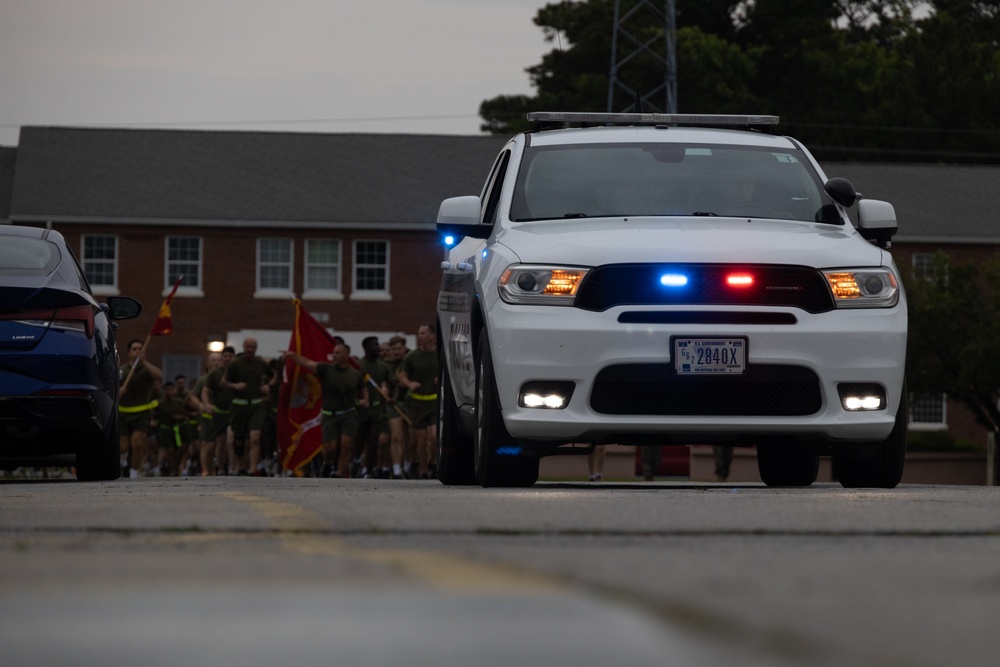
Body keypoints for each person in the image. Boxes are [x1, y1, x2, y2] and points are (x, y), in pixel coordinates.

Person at [282, 343, 368, 478]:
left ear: (346, 355)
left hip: (348, 414)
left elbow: (363, 390)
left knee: (346, 445)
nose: (334, 355)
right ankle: (327, 463)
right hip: (329, 415)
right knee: (330, 448)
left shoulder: (355, 374)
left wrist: (365, 400)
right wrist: (293, 356)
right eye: (333, 352)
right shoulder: (325, 368)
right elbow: (307, 363)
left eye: (338, 353)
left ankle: (339, 473)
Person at [223, 337, 274, 476]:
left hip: (256, 405)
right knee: (239, 441)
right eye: (248, 347)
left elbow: (274, 376)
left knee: (255, 438)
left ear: (256, 348)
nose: (250, 350)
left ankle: (253, 469)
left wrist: (267, 386)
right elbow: (224, 382)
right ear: (244, 347)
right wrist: (235, 385)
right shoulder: (236, 364)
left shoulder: (260, 363)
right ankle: (240, 467)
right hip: (239, 406)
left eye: (253, 347)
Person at [398, 324, 439, 479]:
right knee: (420, 439)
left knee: (434, 437)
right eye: (418, 333)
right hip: (417, 403)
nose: (419, 336)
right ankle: (423, 469)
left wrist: (441, 380)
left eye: (423, 333)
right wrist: (409, 384)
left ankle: (434, 462)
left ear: (433, 336)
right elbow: (402, 374)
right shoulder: (412, 356)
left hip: (435, 402)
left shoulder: (440, 354)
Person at [118, 339, 163, 478]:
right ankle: (123, 463)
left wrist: (144, 362)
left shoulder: (147, 369)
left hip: (141, 413)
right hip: (123, 413)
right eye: (134, 349)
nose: (138, 351)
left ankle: (133, 473)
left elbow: (159, 377)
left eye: (140, 349)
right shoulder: (122, 370)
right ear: (129, 352)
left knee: (137, 443)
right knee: (124, 446)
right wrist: (119, 391)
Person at [355, 336, 393, 478]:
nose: (377, 348)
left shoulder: (383, 366)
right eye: (374, 345)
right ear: (366, 348)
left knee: (373, 441)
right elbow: (353, 387)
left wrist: (393, 398)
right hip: (361, 409)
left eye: (378, 344)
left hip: (376, 410)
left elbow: (393, 384)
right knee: (359, 441)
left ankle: (369, 470)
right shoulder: (359, 365)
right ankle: (357, 460)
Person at [202, 345, 236, 475]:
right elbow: (205, 391)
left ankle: (233, 469)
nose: (228, 358)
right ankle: (220, 468)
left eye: (230, 356)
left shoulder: (237, 372)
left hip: (234, 412)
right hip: (219, 413)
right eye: (225, 356)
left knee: (231, 440)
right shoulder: (214, 374)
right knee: (221, 443)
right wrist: (206, 404)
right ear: (222, 357)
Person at [192, 351, 222, 476]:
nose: (216, 362)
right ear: (208, 363)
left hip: (222, 416)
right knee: (206, 444)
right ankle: (205, 469)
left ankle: (217, 468)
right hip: (207, 416)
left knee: (219, 444)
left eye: (218, 360)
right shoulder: (203, 379)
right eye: (213, 360)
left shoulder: (225, 379)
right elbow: (193, 396)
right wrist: (201, 406)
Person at [385, 335, 411, 479]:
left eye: (398, 348)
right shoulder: (386, 364)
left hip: (411, 403)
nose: (396, 351)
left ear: (404, 348)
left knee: (410, 438)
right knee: (396, 436)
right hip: (393, 403)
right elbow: (383, 381)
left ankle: (407, 463)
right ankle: (396, 469)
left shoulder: (410, 360)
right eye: (393, 349)